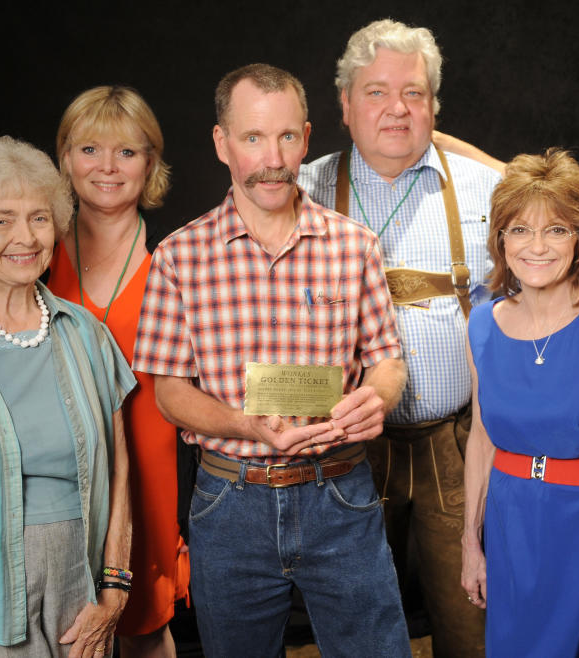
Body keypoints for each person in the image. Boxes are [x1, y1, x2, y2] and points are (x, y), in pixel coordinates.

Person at [0, 86, 191, 658]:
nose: (107, 167)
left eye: (127, 152)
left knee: (144, 629)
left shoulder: (182, 264)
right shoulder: (34, 252)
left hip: (133, 486)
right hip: (16, 521)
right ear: (64, 160)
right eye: (89, 148)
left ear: (151, 164)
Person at [131, 63, 411, 656]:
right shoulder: (179, 257)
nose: (272, 157)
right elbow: (170, 394)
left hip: (340, 493)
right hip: (231, 504)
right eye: (253, 137)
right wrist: (244, 425)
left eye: (286, 136)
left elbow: (387, 362)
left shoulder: (353, 245)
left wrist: (377, 398)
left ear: (306, 138)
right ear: (222, 143)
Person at [296, 18, 501, 654]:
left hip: (459, 444)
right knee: (355, 624)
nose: (396, 109)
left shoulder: (487, 190)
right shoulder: (302, 191)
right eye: (376, 92)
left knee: (473, 617)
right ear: (344, 104)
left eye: (413, 93)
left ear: (434, 108)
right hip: (349, 448)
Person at [463, 148, 579, 656]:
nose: (537, 247)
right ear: (500, 238)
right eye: (520, 230)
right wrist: (469, 543)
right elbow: (482, 440)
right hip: (512, 528)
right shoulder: (481, 324)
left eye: (556, 230)